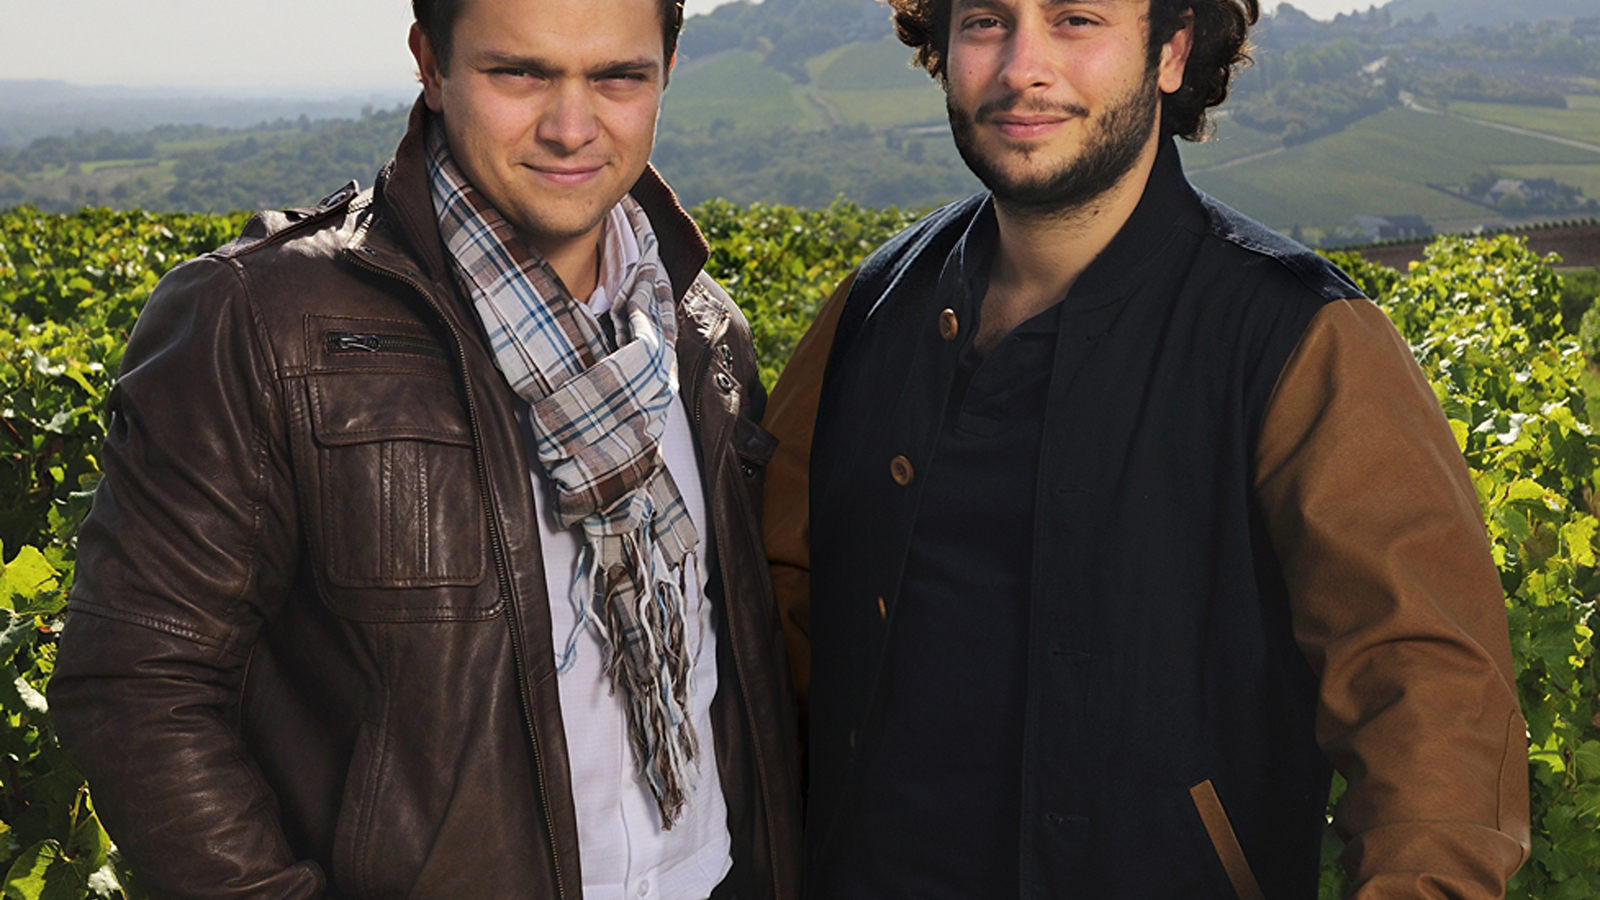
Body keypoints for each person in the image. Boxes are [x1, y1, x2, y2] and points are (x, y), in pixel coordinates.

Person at [761, 0, 1528, 897]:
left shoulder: (1299, 341)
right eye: (986, 22)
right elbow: (767, 612)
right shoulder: (870, 309)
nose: (1021, 67)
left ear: (1171, 51)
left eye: (1076, 19)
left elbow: (1429, 701)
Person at [47, 0, 802, 897]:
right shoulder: (261, 320)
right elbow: (136, 683)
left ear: (667, 71)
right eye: (519, 72)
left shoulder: (702, 332)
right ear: (431, 65)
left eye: (618, 77)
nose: (571, 127)